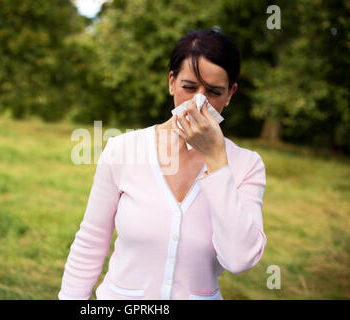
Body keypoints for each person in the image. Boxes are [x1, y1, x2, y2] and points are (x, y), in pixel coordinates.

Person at [58, 29, 267, 300]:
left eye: (214, 92)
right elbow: (90, 242)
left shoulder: (247, 165)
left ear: (230, 94)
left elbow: (240, 259)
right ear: (172, 82)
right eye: (189, 88)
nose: (198, 103)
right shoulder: (123, 149)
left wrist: (217, 161)